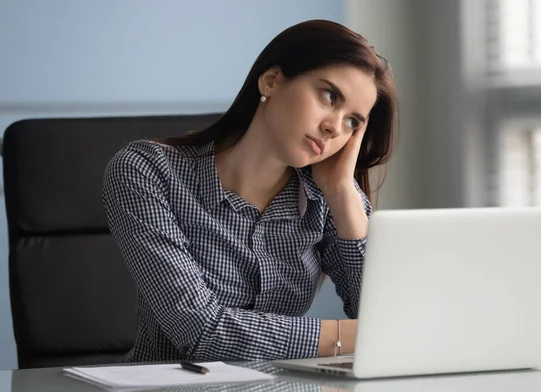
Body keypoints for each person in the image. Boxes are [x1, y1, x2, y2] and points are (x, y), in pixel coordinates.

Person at [102, 19, 397, 363]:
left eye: (353, 122)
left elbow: (387, 315)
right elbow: (200, 332)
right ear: (272, 81)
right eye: (329, 96)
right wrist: (355, 336)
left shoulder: (329, 197)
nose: (334, 127)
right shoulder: (146, 171)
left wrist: (343, 192)